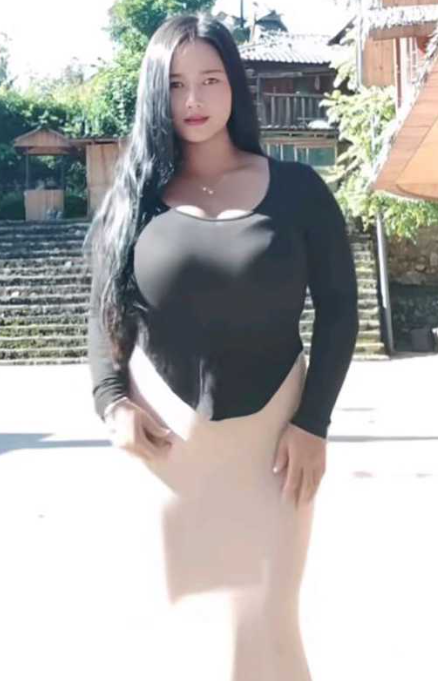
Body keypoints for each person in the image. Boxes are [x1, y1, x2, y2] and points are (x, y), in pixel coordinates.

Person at [85, 12, 359, 681]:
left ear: (235, 84)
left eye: (210, 79)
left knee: (266, 623)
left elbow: (340, 309)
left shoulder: (298, 192)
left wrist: (313, 423)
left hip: (277, 447)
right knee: (192, 636)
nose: (194, 100)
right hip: (168, 449)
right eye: (177, 84)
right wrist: (113, 403)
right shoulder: (136, 199)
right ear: (157, 92)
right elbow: (105, 313)